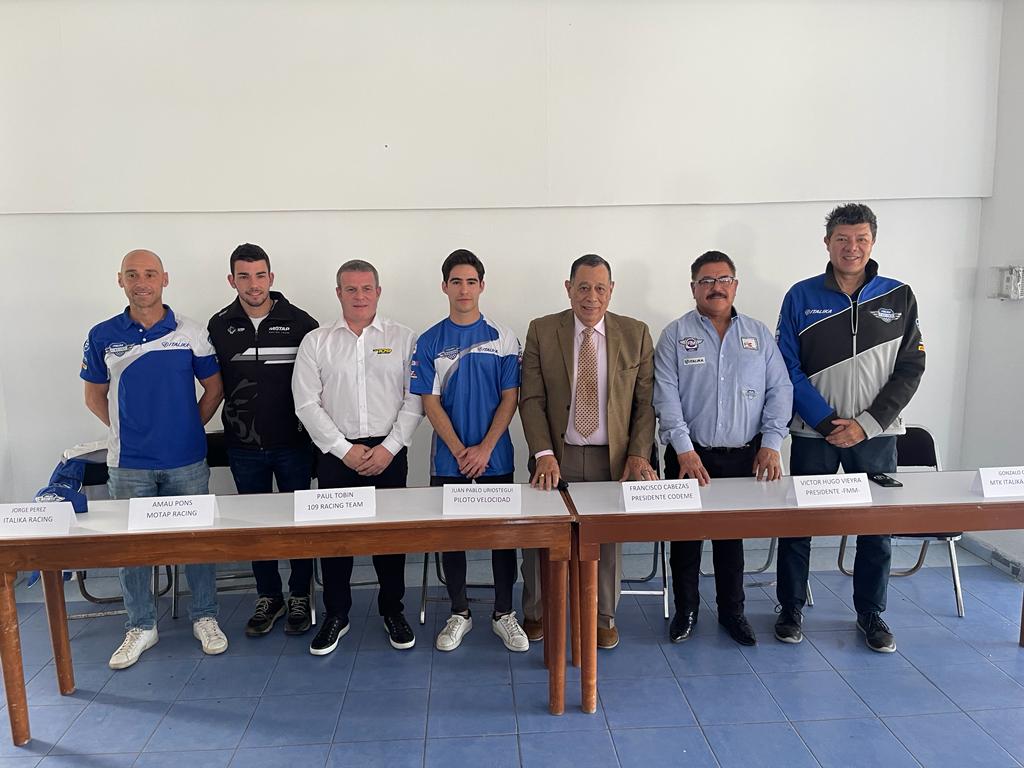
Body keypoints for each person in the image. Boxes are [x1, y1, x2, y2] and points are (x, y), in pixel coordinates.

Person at [775, 203, 925, 653]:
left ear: (872, 242)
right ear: (827, 243)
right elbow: (785, 366)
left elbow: (911, 368)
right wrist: (825, 422)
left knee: (876, 527)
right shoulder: (800, 296)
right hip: (813, 433)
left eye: (861, 239)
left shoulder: (899, 296)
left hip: (875, 435)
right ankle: (790, 608)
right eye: (842, 239)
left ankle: (870, 613)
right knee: (799, 523)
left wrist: (866, 425)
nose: (852, 247)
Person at [81, 249, 227, 670]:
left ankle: (205, 616)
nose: (141, 282)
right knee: (132, 548)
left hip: (186, 460)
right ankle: (141, 625)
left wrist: (187, 427)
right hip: (128, 464)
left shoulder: (190, 332)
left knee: (196, 540)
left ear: (165, 279)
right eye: (132, 275)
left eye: (149, 274)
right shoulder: (102, 334)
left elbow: (214, 389)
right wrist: (128, 429)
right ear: (120, 280)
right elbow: (94, 395)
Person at [653, 251, 793, 646]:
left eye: (723, 279)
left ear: (735, 285)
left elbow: (780, 390)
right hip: (688, 455)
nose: (716, 287)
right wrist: (684, 449)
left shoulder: (758, 335)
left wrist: (771, 443)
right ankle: (686, 611)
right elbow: (666, 396)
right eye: (707, 281)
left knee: (731, 540)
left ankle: (733, 613)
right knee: (685, 539)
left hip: (743, 454)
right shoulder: (675, 335)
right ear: (693, 287)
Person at [519, 253, 656, 650]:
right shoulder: (543, 330)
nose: (591, 297)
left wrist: (638, 454)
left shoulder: (636, 333)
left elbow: (645, 404)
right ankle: (536, 611)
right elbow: (532, 399)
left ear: (611, 291)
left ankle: (603, 616)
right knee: (541, 536)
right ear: (568, 289)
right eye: (582, 287)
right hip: (555, 456)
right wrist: (543, 453)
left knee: (605, 542)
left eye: (599, 288)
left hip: (611, 459)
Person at [292, 259, 423, 655]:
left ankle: (392, 611)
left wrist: (389, 448)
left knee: (389, 538)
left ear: (378, 292)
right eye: (351, 289)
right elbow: (306, 404)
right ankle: (337, 614)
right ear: (339, 293)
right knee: (337, 539)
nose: (359, 296)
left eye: (367, 288)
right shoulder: (316, 342)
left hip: (389, 452)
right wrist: (344, 450)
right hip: (336, 454)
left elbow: (415, 399)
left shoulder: (404, 338)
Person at [411, 249, 529, 653]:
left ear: (482, 286)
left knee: (502, 538)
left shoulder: (504, 337)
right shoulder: (429, 340)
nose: (464, 289)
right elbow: (429, 402)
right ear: (444, 286)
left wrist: (485, 448)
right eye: (456, 282)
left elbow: (510, 398)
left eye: (471, 282)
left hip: (495, 457)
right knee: (453, 537)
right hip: (449, 459)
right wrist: (462, 450)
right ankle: (459, 612)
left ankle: (504, 613)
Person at [208, 243, 319, 638]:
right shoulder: (219, 326)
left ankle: (300, 594)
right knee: (256, 526)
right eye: (244, 276)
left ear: (271, 277)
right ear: (232, 280)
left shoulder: (302, 323)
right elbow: (213, 385)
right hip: (243, 447)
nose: (253, 284)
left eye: (259, 275)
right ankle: (269, 596)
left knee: (298, 522)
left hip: (294, 443)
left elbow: (318, 385)